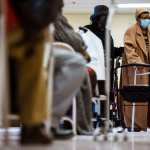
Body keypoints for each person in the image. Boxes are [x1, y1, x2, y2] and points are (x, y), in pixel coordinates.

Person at [54, 14, 93, 135]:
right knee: (78, 64)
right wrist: (82, 50)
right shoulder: (52, 15)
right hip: (42, 56)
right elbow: (74, 41)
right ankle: (52, 122)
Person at [81, 5, 124, 98]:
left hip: (108, 74)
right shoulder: (87, 30)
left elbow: (111, 51)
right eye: (105, 17)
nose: (108, 19)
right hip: (93, 73)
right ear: (98, 17)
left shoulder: (107, 33)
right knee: (93, 100)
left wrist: (123, 50)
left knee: (105, 102)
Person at [120, 8, 150, 131]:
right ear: (138, 19)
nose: (146, 20)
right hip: (135, 68)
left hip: (147, 67)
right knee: (135, 95)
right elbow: (129, 49)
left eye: (148, 18)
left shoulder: (149, 31)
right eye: (144, 18)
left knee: (146, 95)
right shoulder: (130, 30)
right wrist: (139, 63)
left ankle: (146, 123)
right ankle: (134, 124)